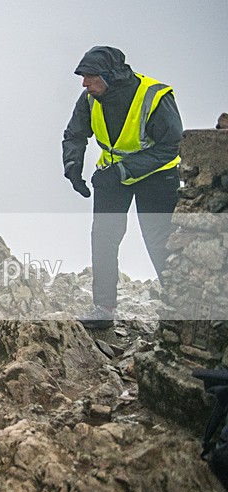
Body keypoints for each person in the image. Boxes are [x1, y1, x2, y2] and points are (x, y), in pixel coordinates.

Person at [62, 46, 182, 329]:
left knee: (159, 240)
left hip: (157, 176)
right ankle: (103, 309)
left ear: (110, 76)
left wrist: (123, 171)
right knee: (104, 236)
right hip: (112, 175)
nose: (84, 83)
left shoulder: (155, 96)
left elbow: (171, 146)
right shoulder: (90, 99)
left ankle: (180, 310)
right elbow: (75, 134)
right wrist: (72, 166)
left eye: (90, 77)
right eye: (83, 77)